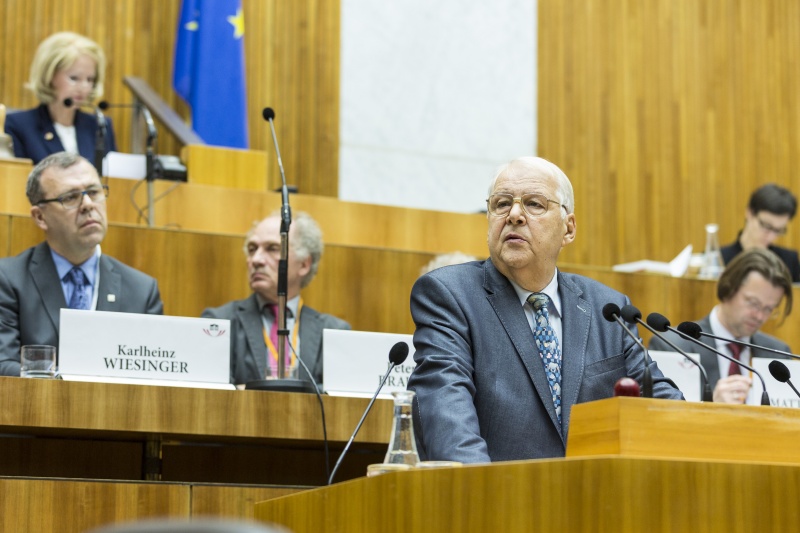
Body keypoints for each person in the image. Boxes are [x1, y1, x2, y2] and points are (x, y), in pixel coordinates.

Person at [406, 156, 683, 464]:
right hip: (499, 500)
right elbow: (447, 414)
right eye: (501, 204)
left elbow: (661, 404)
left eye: (534, 204)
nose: (514, 215)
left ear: (569, 228)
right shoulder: (451, 295)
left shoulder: (610, 308)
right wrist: (482, 495)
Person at [0, 152, 163, 376]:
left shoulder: (142, 291)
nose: (87, 204)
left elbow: (153, 377)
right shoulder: (8, 279)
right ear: (40, 217)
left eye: (94, 192)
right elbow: (2, 365)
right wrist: (67, 383)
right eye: (70, 197)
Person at [202, 211, 350, 386]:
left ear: (304, 264)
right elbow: (210, 397)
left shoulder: (334, 332)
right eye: (252, 249)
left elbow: (340, 401)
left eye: (272, 248)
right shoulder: (219, 323)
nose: (256, 260)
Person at [649, 248, 793, 404]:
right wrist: (709, 407)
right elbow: (663, 416)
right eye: (753, 303)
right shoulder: (672, 346)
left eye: (768, 309)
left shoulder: (778, 354)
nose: (759, 316)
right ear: (728, 288)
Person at [4, 32, 117, 165]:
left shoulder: (100, 126)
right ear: (50, 75)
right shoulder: (18, 125)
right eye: (74, 78)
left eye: (90, 79)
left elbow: (111, 179)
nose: (84, 87)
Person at [721, 184, 800, 282]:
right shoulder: (718, 259)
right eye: (766, 226)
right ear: (749, 213)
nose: (771, 237)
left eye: (778, 230)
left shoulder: (789, 260)